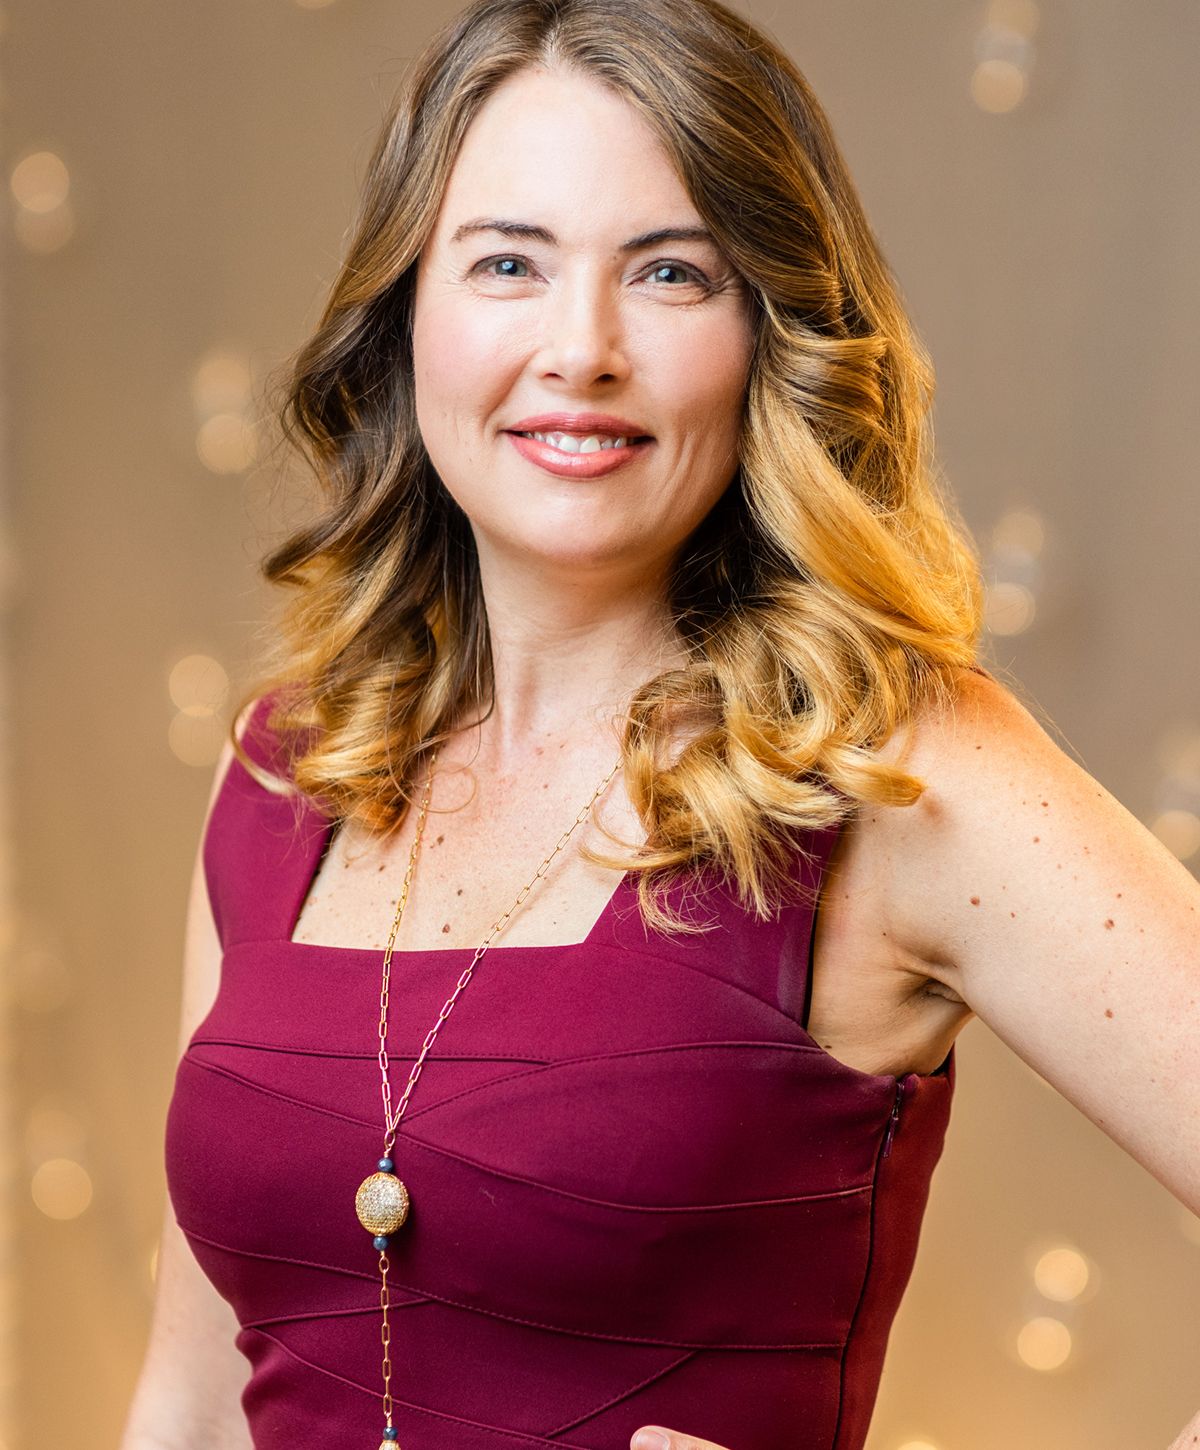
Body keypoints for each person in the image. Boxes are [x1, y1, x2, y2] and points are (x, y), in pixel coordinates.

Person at [122, 1, 1200, 1447]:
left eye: (671, 274)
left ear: (770, 332)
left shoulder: (895, 769)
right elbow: (187, 1406)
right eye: (508, 262)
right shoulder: (282, 768)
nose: (582, 348)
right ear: (410, 314)